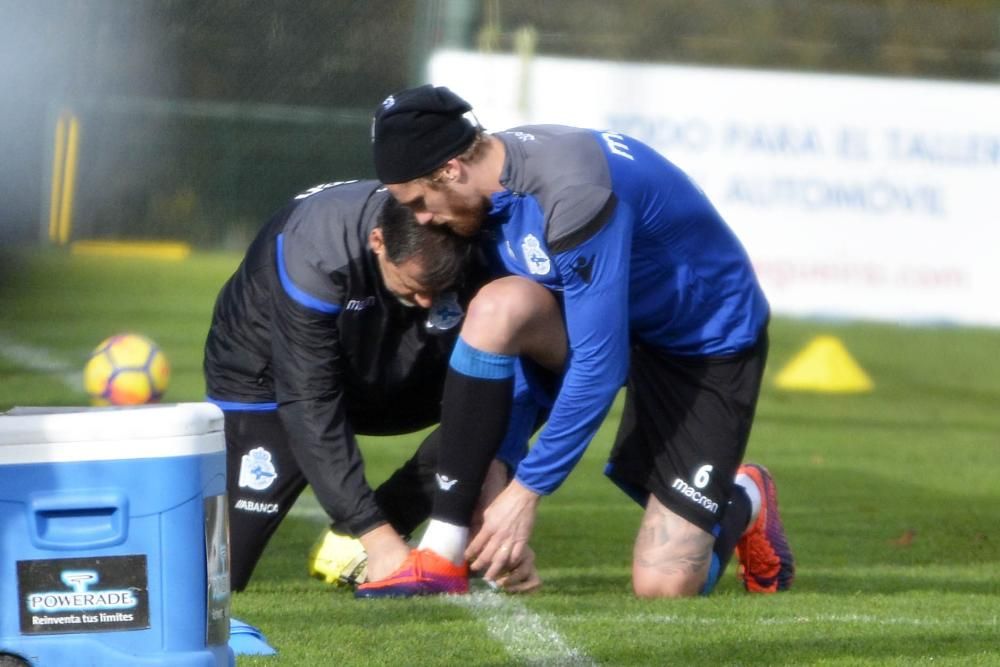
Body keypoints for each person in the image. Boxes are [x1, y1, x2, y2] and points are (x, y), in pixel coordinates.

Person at [360, 85, 795, 598]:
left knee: (666, 586)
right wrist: (496, 475)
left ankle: (744, 498)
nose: (421, 220)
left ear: (451, 169)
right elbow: (509, 356)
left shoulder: (570, 192)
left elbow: (599, 364)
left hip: (701, 343)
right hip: (609, 326)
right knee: (500, 305)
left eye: (419, 202)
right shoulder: (479, 205)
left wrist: (526, 493)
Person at [203, 178, 539, 594]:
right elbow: (310, 405)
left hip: (388, 357)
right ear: (377, 241)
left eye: (441, 290)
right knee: (216, 578)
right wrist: (377, 540)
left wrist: (492, 478)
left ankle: (380, 522)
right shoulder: (317, 253)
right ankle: (373, 535)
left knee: (518, 381)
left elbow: (510, 379)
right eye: (417, 289)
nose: (429, 304)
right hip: (268, 373)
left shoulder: (467, 232)